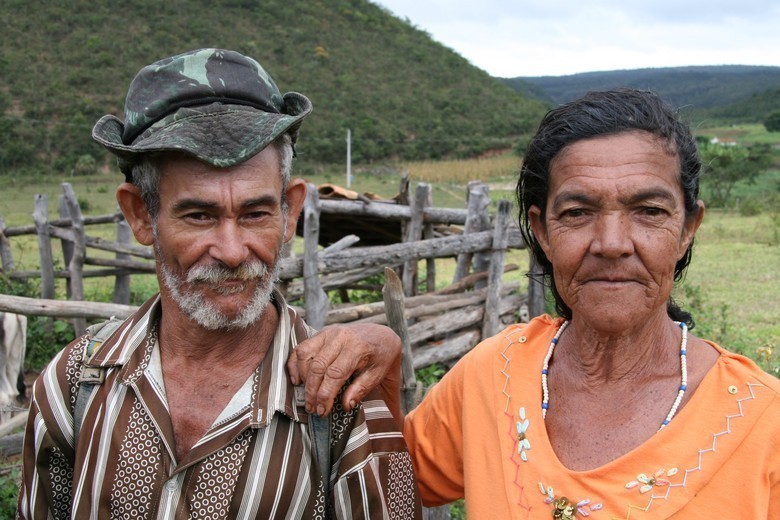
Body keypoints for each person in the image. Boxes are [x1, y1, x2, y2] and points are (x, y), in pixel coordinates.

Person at [292, 89, 780, 519]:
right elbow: (395, 487)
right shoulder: (493, 374)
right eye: (577, 212)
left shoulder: (765, 425)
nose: (611, 243)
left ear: (687, 228)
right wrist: (386, 351)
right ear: (542, 231)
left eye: (649, 211)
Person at [17, 48, 421, 519]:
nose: (231, 251)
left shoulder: (341, 400)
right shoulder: (74, 383)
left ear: (290, 211)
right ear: (141, 215)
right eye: (198, 215)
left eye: (255, 213)